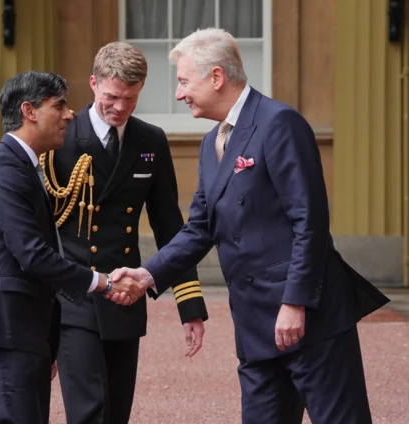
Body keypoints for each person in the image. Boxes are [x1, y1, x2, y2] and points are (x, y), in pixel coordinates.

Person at [112, 28, 390, 424]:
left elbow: (309, 220)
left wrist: (295, 302)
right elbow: (200, 228)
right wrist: (146, 274)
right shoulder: (211, 144)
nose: (179, 94)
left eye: (183, 81)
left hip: (308, 318)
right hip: (256, 327)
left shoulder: (280, 123)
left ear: (216, 78)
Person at [0, 71, 145, 424]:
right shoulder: (3, 169)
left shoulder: (21, 165)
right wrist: (105, 283)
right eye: (59, 105)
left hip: (23, 328)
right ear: (29, 111)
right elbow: (33, 254)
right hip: (3, 325)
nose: (69, 115)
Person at [39, 42, 208, 424]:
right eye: (112, 97)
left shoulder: (150, 141)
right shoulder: (60, 138)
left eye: (130, 99)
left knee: (116, 414)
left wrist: (190, 307)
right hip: (74, 296)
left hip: (125, 296)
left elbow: (170, 226)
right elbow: (40, 230)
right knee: (89, 413)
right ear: (94, 83)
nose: (120, 107)